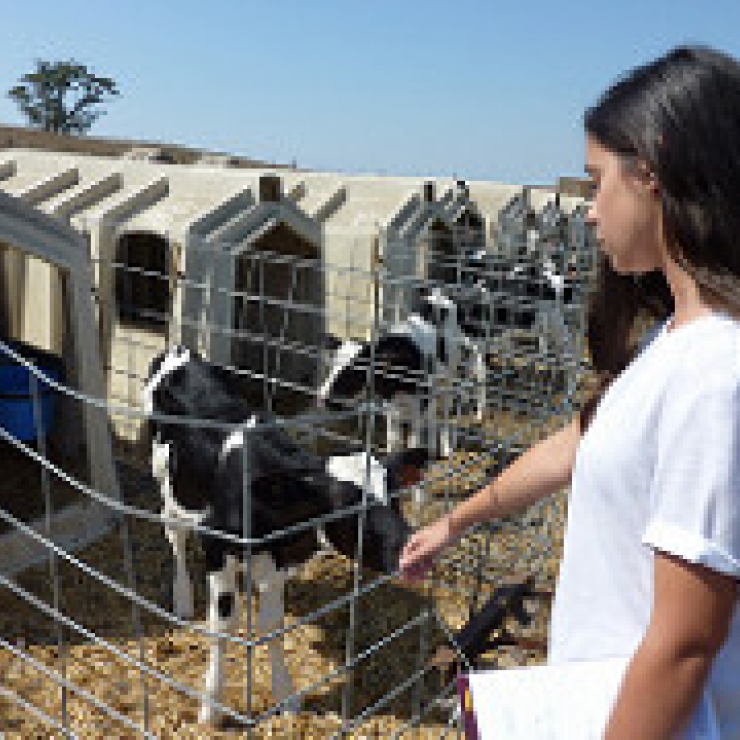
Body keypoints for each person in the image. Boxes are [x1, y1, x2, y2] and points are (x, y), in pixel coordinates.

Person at [399, 45, 740, 738]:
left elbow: (684, 647)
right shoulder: (671, 340)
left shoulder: (716, 372)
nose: (587, 211)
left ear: (653, 171)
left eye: (595, 182)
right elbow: (577, 443)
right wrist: (454, 521)